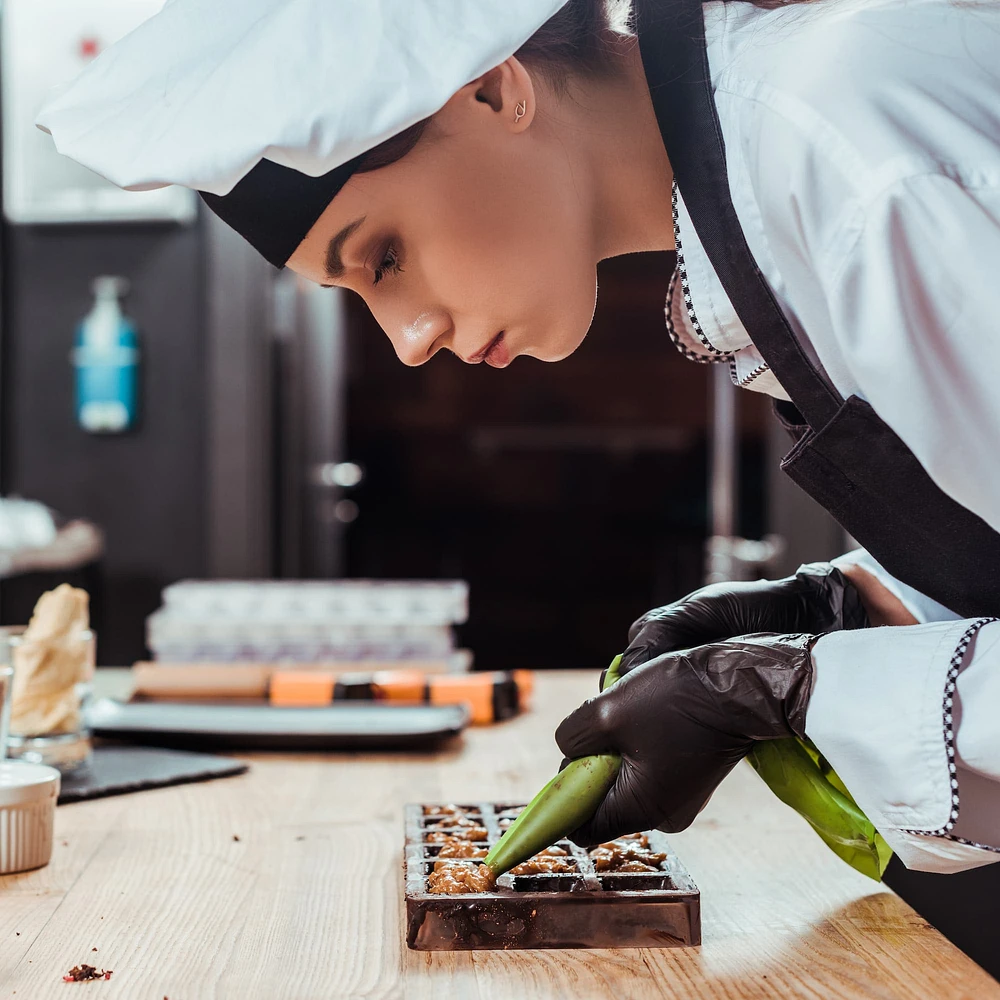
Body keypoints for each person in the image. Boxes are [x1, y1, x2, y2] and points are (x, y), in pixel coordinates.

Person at [37, 0, 1000, 875]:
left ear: (496, 88)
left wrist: (789, 692)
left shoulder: (857, 156)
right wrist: (851, 604)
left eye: (385, 255)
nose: (409, 343)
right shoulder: (771, 170)